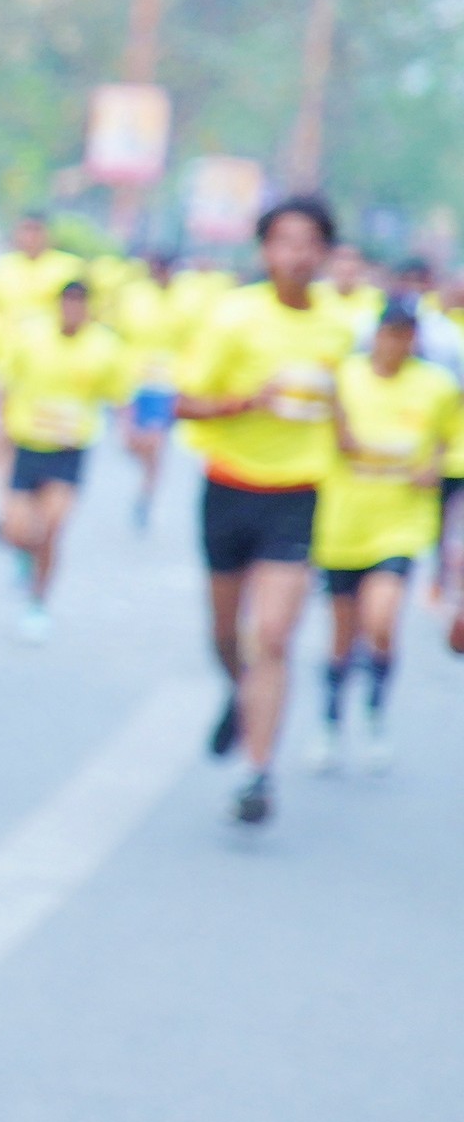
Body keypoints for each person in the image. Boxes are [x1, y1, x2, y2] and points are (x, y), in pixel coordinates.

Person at [175, 195, 358, 826]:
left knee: (273, 636)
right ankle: (239, 688)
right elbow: (183, 401)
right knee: (226, 635)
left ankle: (257, 774)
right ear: (265, 250)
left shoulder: (340, 327)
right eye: (285, 242)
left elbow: (344, 401)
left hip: (297, 493)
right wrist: (247, 402)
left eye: (310, 243)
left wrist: (354, 441)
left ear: (325, 253)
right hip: (229, 486)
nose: (297, 255)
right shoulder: (233, 317)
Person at [306, 298, 457, 773]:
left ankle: (375, 715)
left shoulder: (437, 386)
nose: (397, 344)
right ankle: (330, 723)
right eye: (391, 333)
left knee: (381, 622)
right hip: (342, 523)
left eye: (407, 335)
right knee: (341, 636)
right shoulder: (344, 378)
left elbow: (451, 439)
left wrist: (436, 465)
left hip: (400, 525)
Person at [0, 276, 133, 640]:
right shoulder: (30, 337)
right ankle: (24, 557)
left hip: (69, 451)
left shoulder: (105, 346)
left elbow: (119, 395)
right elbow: (4, 383)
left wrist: (127, 432)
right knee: (18, 530)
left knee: (52, 529)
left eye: (79, 303)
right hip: (27, 444)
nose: (72, 310)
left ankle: (38, 602)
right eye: (67, 302)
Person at [114, 252, 186, 530]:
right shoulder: (134, 297)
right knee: (132, 442)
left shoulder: (186, 301)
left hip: (166, 383)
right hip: (134, 380)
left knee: (155, 443)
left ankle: (147, 492)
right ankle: (147, 475)